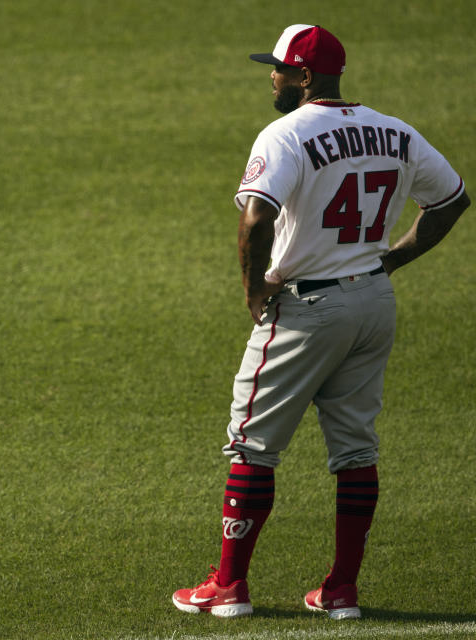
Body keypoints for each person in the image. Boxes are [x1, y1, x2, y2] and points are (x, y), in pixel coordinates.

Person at [171, 24, 469, 619]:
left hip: (307, 308)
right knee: (356, 449)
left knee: (252, 445)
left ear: (305, 76)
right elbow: (453, 200)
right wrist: (392, 258)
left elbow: (256, 220)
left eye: (279, 68)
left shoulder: (286, 133)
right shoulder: (396, 130)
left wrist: (255, 291)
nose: (272, 76)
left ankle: (228, 588)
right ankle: (341, 591)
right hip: (373, 302)